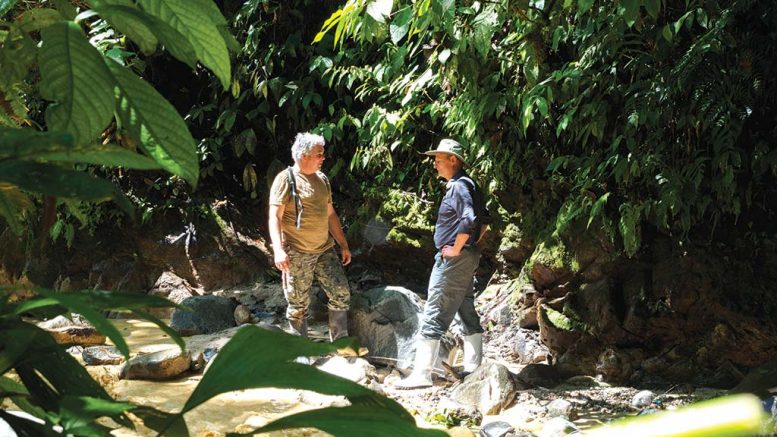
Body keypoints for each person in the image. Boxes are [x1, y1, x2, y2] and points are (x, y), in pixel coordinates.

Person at [397, 138, 488, 389]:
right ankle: (474, 368)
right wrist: (469, 248)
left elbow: (469, 220)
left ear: (453, 160)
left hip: (454, 259)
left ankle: (422, 374)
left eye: (438, 160)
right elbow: (485, 223)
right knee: (465, 307)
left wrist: (457, 249)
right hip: (467, 257)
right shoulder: (471, 185)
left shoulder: (458, 186)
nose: (435, 165)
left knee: (434, 310)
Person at [268, 132, 351, 342]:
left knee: (341, 292)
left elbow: (331, 214)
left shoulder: (322, 179)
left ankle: (341, 346)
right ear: (304, 155)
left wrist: (343, 244)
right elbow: (274, 218)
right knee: (297, 305)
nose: (323, 158)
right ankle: (301, 355)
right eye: (319, 154)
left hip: (324, 249)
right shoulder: (285, 179)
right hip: (297, 252)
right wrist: (278, 250)